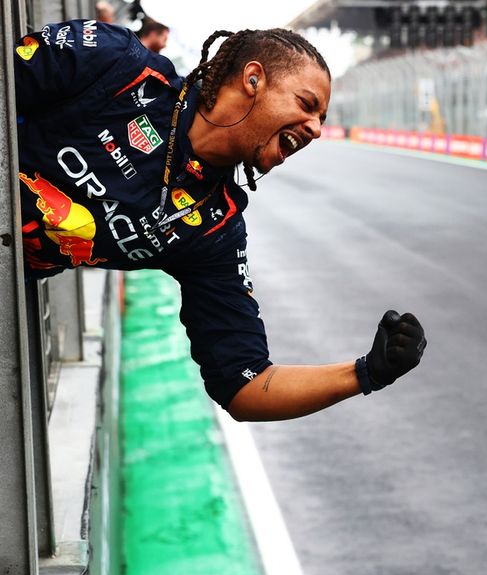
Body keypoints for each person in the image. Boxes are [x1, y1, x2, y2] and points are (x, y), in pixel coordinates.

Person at [13, 19, 426, 421]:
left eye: (321, 119)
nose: (317, 130)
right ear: (253, 79)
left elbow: (246, 386)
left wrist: (366, 372)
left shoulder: (216, 228)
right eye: (307, 105)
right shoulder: (118, 63)